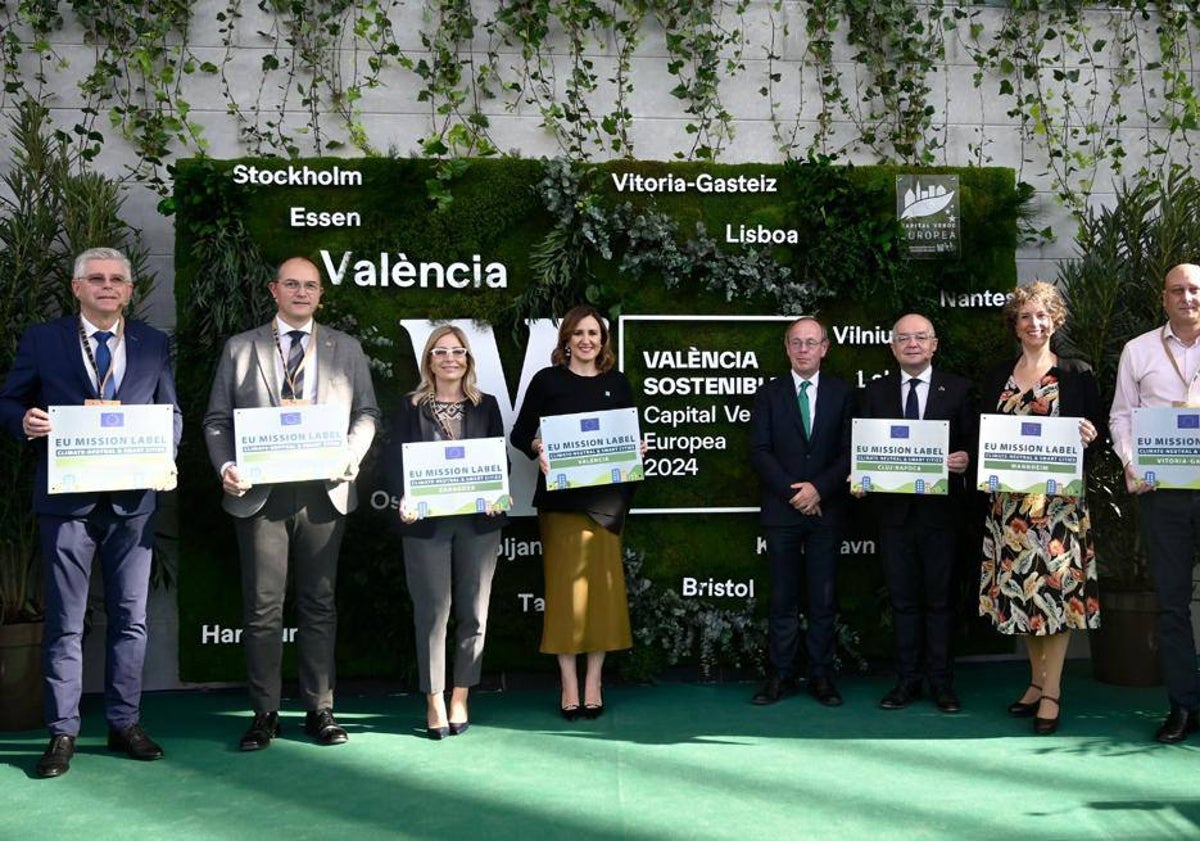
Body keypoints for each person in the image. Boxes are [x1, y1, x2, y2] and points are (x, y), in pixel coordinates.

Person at [0, 247, 182, 778]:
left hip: (133, 502)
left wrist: (163, 455)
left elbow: (170, 412)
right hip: (67, 501)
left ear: (130, 289)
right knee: (66, 622)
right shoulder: (44, 339)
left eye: (117, 279)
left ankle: (125, 724)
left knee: (132, 619)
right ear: (77, 288)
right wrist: (24, 421)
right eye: (96, 279)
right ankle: (63, 732)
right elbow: (8, 402)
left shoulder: (153, 343)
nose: (108, 287)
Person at [202, 256, 379, 750]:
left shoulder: (345, 348)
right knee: (262, 609)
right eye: (292, 285)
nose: (302, 293)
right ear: (273, 290)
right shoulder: (241, 348)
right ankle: (264, 714)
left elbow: (366, 413)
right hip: (260, 496)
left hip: (325, 492)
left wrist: (351, 453)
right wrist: (224, 467)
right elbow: (217, 421)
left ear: (321, 294)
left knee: (319, 605)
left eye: (311, 286)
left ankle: (320, 710)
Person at [979, 281, 1103, 735]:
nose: (1035, 324)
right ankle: (1035, 682)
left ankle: (1052, 692)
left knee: (1055, 596)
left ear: (1056, 320)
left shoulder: (1077, 372)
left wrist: (1090, 436)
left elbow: (1099, 435)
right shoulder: (997, 375)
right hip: (1009, 508)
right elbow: (985, 435)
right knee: (1023, 596)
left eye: (1042, 316)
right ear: (1015, 323)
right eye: (1026, 316)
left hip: (1059, 509)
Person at [510, 305, 635, 720]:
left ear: (603, 342)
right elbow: (521, 432)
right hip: (561, 504)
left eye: (594, 334)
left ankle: (594, 680)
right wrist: (537, 447)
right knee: (565, 595)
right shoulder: (547, 381)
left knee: (603, 593)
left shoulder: (617, 383)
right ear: (566, 339)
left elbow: (628, 437)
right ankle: (568, 682)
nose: (586, 341)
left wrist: (636, 451)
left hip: (606, 504)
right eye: (578, 333)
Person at [384, 326, 508, 739]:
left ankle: (461, 693)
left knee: (474, 612)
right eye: (441, 351)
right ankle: (434, 697)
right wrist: (402, 496)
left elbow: (499, 463)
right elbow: (393, 463)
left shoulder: (486, 406)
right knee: (434, 613)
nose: (450, 358)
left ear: (468, 359)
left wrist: (496, 493)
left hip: (479, 522)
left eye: (458, 351)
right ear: (429, 360)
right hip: (425, 523)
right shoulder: (408, 406)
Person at [857, 313, 977, 713]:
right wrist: (861, 475)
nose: (912, 344)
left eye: (920, 337)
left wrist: (965, 459)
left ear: (934, 344)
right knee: (903, 602)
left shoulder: (959, 390)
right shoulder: (875, 393)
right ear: (892, 347)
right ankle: (906, 681)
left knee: (941, 602)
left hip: (942, 517)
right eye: (904, 338)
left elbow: (976, 448)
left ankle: (942, 684)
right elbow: (863, 451)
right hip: (893, 516)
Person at [1110, 263, 1200, 743]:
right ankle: (1183, 707)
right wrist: (1130, 462)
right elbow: (1121, 416)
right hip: (1162, 492)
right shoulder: (1138, 350)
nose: (1187, 297)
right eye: (1177, 290)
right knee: (1171, 605)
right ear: (1163, 298)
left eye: (1194, 289)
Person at [749, 316, 853, 707]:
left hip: (826, 510)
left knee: (823, 600)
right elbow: (759, 450)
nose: (804, 349)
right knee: (783, 599)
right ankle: (780, 675)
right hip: (783, 511)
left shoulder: (842, 393)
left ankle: (822, 676)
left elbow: (848, 451)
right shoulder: (769, 393)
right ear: (787, 348)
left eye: (812, 342)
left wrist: (819, 489)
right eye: (797, 342)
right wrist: (794, 492)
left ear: (825, 347)